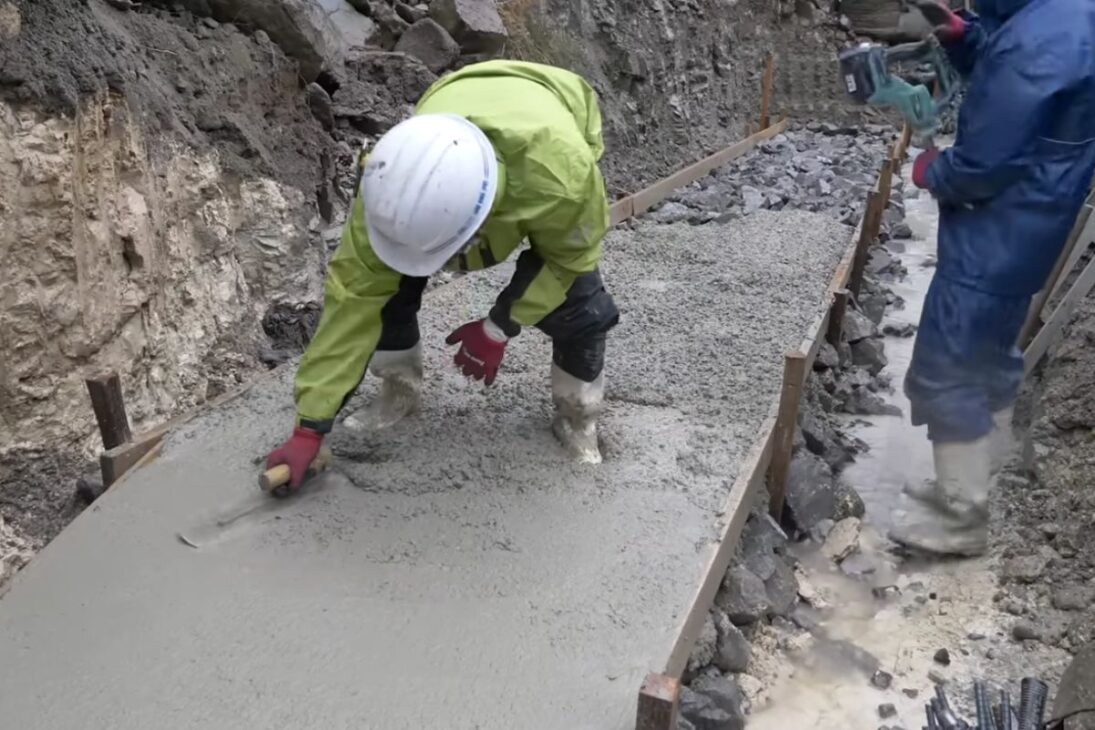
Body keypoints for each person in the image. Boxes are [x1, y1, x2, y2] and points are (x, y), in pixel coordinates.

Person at [265, 60, 619, 490]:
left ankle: (577, 417)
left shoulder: (561, 178)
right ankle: (399, 391)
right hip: (454, 96)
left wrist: (499, 326)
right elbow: (353, 301)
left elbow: (566, 261)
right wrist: (309, 425)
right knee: (383, 292)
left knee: (581, 305)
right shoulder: (387, 182)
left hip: (555, 108)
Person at [890, 0, 1095, 555]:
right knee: (987, 350)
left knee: (949, 361)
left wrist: (935, 170)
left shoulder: (1041, 42)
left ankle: (961, 519)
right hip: (1030, 225)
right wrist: (963, 36)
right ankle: (974, 479)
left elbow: (987, 162)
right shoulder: (1058, 18)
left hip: (1001, 228)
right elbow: (1011, 70)